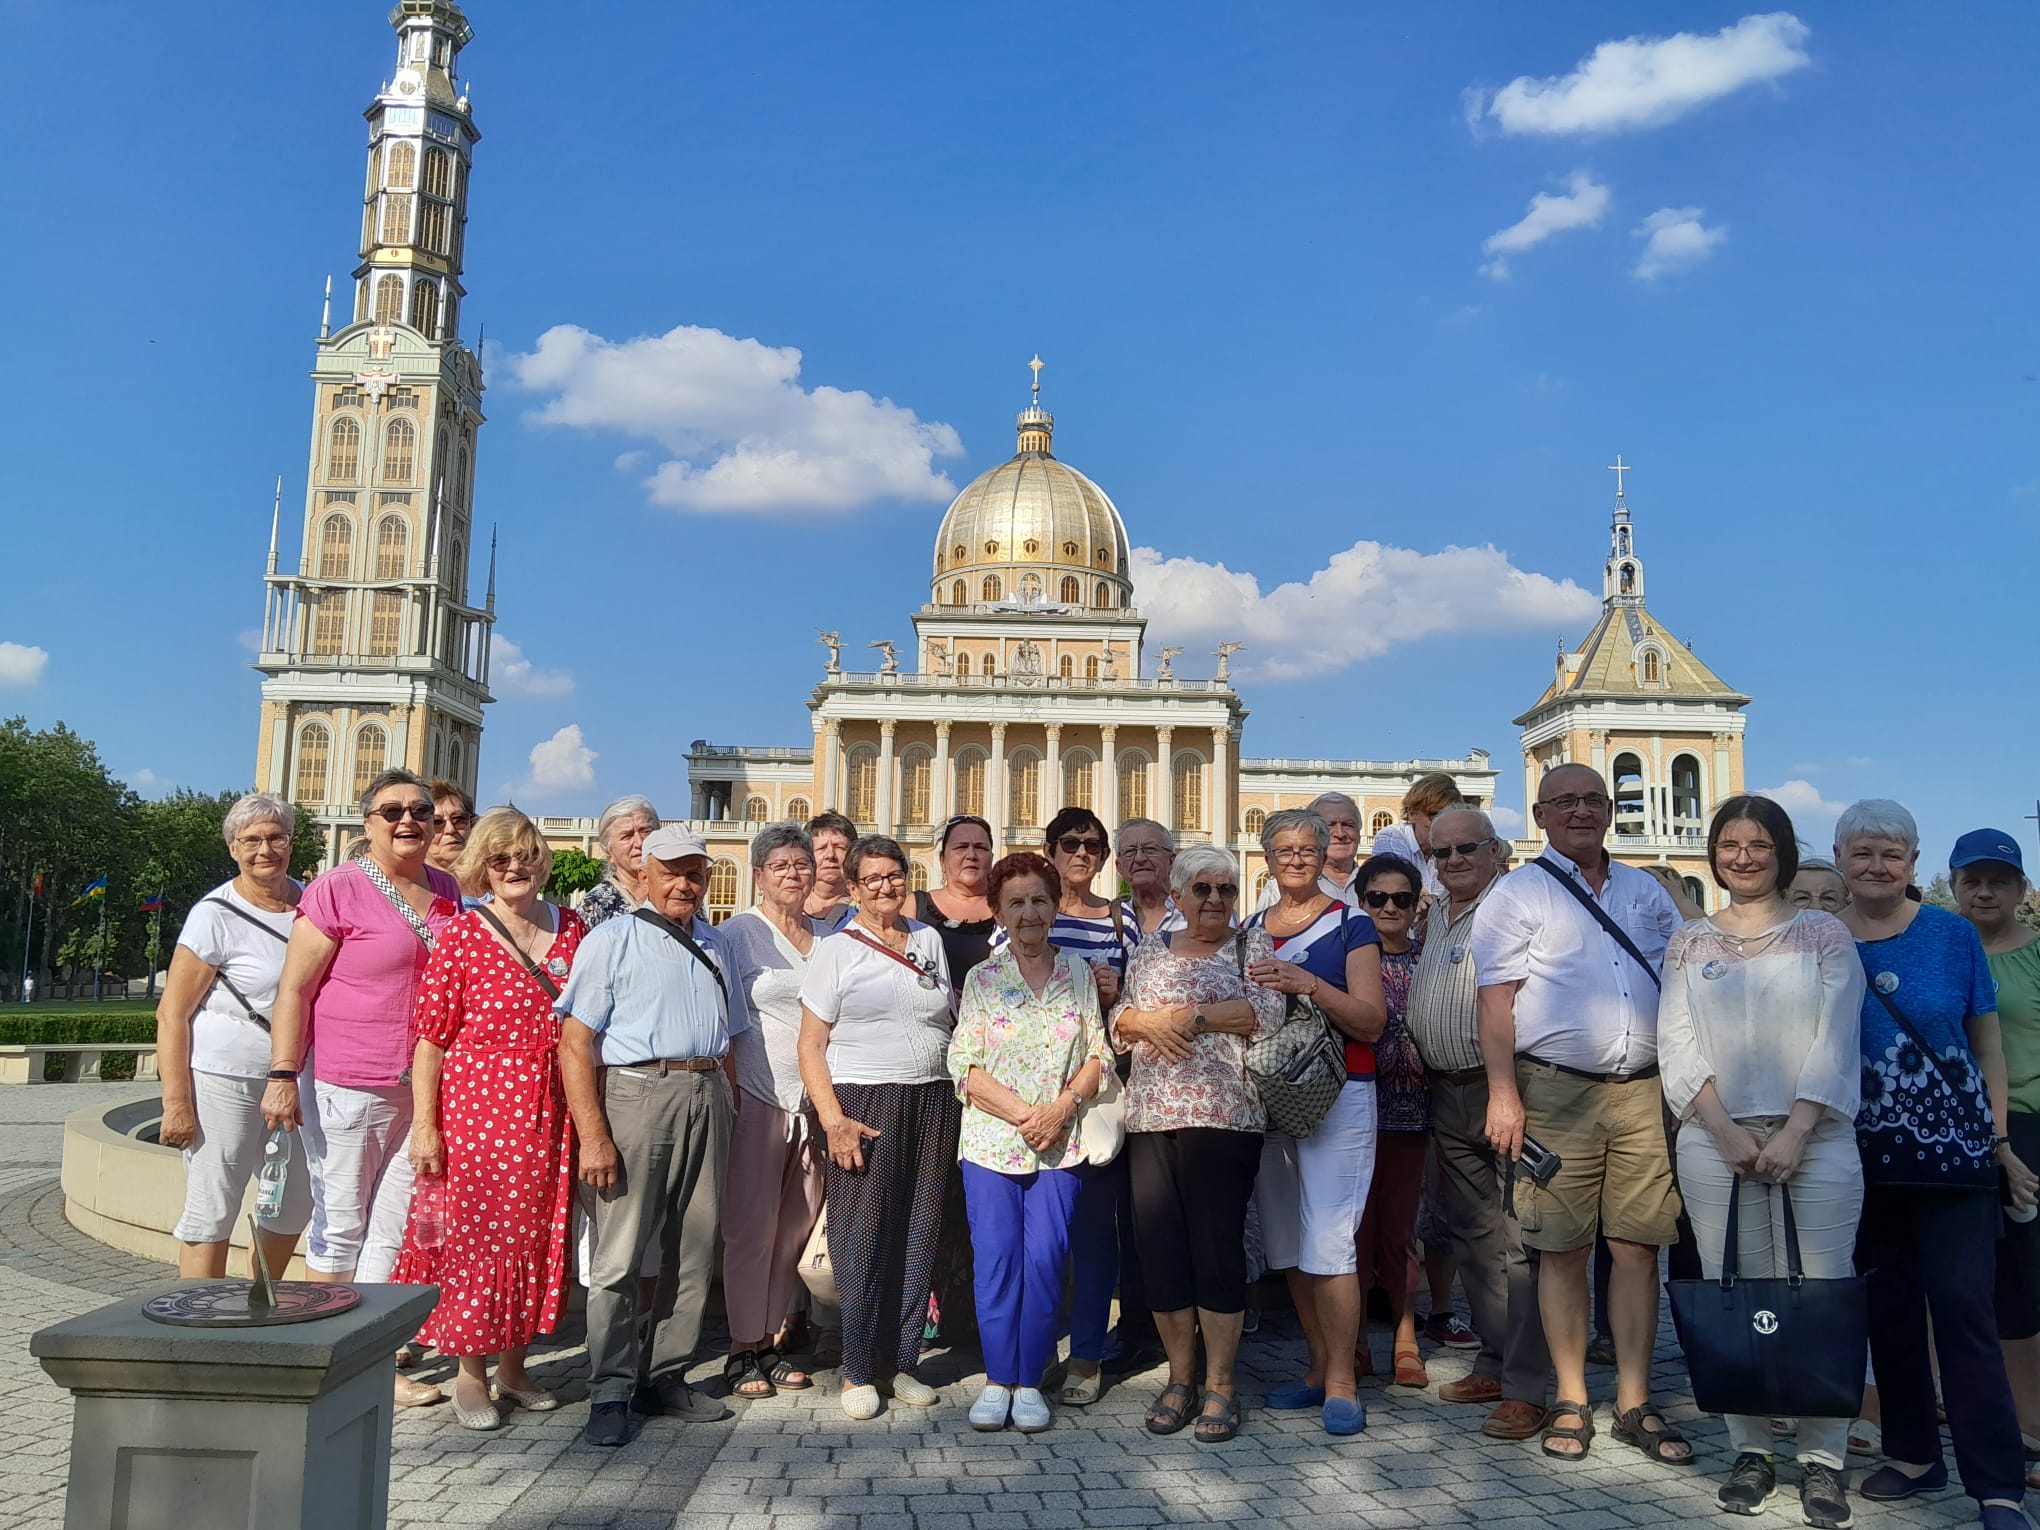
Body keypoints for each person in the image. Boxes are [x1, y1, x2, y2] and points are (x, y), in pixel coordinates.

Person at [1655, 796, 1864, 1525]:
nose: (1742, 857)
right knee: (1733, 1290)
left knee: (1823, 1293)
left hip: (1816, 1136)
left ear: (1780, 849)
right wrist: (1721, 1128)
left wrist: (1797, 1129)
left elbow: (1836, 1037)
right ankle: (1750, 1447)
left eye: (1758, 844)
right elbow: (1675, 1042)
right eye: (1729, 844)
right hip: (1717, 1142)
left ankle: (1821, 1459)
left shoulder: (1822, 934)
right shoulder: (1689, 942)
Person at [1474, 763, 1688, 1467]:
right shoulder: (1516, 893)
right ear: (1540, 816)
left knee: (1636, 1249)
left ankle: (1633, 1399)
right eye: (1564, 801)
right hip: (1554, 1089)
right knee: (1560, 1250)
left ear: (1609, 811)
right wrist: (1503, 1094)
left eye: (1594, 800)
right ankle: (1570, 1396)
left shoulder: (1646, 891)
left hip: (1640, 1088)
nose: (1581, 811)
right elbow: (1496, 1005)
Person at [1837, 801, 2037, 1528]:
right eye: (1862, 853)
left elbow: (1988, 1048)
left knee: (1964, 1311)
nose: (1877, 866)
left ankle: (1997, 1485)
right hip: (1859, 1157)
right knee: (1888, 1314)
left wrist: (1998, 1138)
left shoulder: (1953, 937)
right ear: (1840, 861)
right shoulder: (1822, 940)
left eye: (1892, 854)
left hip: (1955, 1157)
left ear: (1913, 864)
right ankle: (1914, 1456)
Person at [262, 768, 463, 1410]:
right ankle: (326, 1357)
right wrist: (282, 1073)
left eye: (421, 810)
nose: (409, 821)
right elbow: (293, 988)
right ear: (368, 823)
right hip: (352, 1081)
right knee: (342, 1221)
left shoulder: (449, 890)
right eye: (392, 811)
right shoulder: (337, 890)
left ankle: (372, 1357)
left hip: (426, 1088)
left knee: (394, 1227)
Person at [394, 809, 586, 1432]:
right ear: (482, 866)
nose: (513, 869)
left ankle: (515, 1366)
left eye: (524, 856)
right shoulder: (462, 933)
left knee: (534, 1235)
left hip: (551, 1107)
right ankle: (468, 1375)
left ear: (541, 859)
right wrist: (426, 1124)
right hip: (479, 1105)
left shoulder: (573, 929)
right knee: (477, 1241)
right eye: (499, 859)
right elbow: (431, 1039)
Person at [557, 826, 747, 1445]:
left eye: (695, 872)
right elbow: (576, 1043)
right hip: (639, 1093)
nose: (684, 883)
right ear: (644, 875)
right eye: (672, 871)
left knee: (695, 1248)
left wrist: (732, 1103)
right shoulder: (612, 939)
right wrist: (594, 1135)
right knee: (621, 1250)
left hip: (707, 1090)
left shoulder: (718, 945)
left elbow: (733, 1038)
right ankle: (609, 1387)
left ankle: (665, 1374)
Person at [1112, 847, 1286, 1444]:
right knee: (1161, 1251)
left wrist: (1193, 1017)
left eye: (1227, 889)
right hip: (1152, 1118)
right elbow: (1121, 1020)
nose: (1216, 899)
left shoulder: (1249, 946)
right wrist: (1144, 1023)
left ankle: (1221, 1385)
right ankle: (1179, 1380)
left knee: (1216, 1251)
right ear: (1179, 896)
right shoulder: (1149, 950)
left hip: (1226, 1117)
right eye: (1203, 889)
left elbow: (1267, 1011)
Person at [948, 851, 1113, 1434]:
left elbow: (1099, 1053)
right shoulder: (983, 978)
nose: (1028, 913)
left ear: (1054, 906)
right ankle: (998, 1380)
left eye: (1039, 900)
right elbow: (963, 1063)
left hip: (1061, 1144)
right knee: (997, 1262)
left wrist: (1061, 1108)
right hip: (994, 1142)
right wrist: (1025, 1115)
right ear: (997, 911)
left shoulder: (1079, 973)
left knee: (1045, 1262)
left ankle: (1028, 1379)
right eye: (1015, 903)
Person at [797, 834, 959, 1420]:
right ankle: (858, 1368)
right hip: (864, 1099)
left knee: (922, 1228)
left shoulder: (929, 940)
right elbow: (811, 1043)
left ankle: (903, 1358)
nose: (885, 887)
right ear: (854, 888)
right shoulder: (837, 950)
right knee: (863, 1234)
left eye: (894, 876)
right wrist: (833, 1119)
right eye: (873, 879)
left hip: (934, 1097)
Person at [1406, 806, 1552, 1440]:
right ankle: (1494, 1360)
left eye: (1469, 847)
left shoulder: (1517, 904)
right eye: (1442, 853)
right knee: (1474, 1239)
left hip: (1506, 1089)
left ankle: (1527, 1386)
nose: (1455, 859)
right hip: (1450, 1091)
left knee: (1521, 1243)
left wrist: (1505, 1092)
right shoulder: (1436, 912)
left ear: (1497, 850)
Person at [1245, 811, 1386, 1437]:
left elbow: (1371, 1019)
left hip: (1341, 1092)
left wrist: (1307, 984)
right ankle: (1315, 1366)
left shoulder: (1352, 923)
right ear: (1268, 857)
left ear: (1324, 851)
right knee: (1289, 1244)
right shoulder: (1249, 928)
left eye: (1307, 849)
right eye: (1284, 850)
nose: (1296, 859)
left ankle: (1342, 1381)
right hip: (1270, 1095)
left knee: (1332, 1240)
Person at [156, 793, 308, 1281]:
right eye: (252, 840)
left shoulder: (313, 903)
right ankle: (196, 1327)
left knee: (292, 1204)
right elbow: (172, 1014)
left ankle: (257, 1306)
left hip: (298, 1079)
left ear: (291, 842)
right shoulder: (214, 914)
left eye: (276, 837)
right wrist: (177, 1103)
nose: (266, 849)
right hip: (225, 1078)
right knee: (213, 1205)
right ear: (232, 848)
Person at [715, 825, 826, 1400]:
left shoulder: (829, 934)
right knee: (749, 1230)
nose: (793, 873)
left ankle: (771, 1340)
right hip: (759, 1095)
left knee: (793, 1231)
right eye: (780, 865)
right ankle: (741, 1348)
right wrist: (733, 1094)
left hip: (815, 1103)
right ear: (758, 874)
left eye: (801, 864)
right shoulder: (736, 935)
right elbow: (727, 1022)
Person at [1037, 805, 1134, 1404]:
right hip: (1036, 1093)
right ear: (1050, 851)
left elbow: (1135, 1007)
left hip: (1096, 1091)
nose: (1082, 853)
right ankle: (1040, 1345)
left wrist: (1115, 993)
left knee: (1097, 1231)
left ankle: (1089, 1356)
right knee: (1044, 1234)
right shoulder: (1025, 913)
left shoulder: (1120, 923)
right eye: (1070, 843)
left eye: (1094, 845)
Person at [1951, 830, 2040, 1482]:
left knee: (2030, 1278)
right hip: (1955, 1136)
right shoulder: (1940, 950)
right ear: (1953, 885)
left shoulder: (2035, 956)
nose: (1984, 891)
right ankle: (2003, 1416)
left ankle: (2032, 1421)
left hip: (2031, 1130)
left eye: (1998, 881)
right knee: (1974, 1281)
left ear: (2019, 889)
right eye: (1972, 880)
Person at [1351, 852, 1435, 1388]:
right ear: (1360, 903)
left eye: (1401, 898)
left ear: (1414, 905)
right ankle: (1353, 1337)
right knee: (1355, 1230)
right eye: (1377, 897)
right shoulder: (1348, 960)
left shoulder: (1429, 959)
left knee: (1401, 1228)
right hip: (1356, 1110)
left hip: (1415, 1110)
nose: (1389, 907)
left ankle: (1405, 1335)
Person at [915, 815, 998, 985]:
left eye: (981, 848)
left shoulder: (1009, 910)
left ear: (991, 858)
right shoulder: (914, 906)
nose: (971, 855)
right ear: (942, 860)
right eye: (961, 847)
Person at [1254, 791, 1364, 911]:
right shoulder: (1282, 885)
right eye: (1329, 825)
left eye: (1348, 824)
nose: (1340, 833)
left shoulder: (1373, 882)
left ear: (1359, 833)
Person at [1372, 772, 1461, 904]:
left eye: (1449, 818)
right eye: (1434, 816)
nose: (1441, 824)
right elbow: (1400, 883)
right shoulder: (1391, 837)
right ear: (1412, 813)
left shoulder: (1453, 850)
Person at [575, 796, 661, 929]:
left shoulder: (679, 893)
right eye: (627, 836)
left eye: (646, 831)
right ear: (608, 852)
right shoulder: (595, 906)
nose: (639, 842)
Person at [1118, 818, 1184, 943]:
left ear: (1171, 861)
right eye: (1130, 851)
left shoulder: (1194, 915)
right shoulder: (1110, 920)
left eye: (1150, 849)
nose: (1139, 858)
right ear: (1119, 866)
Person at [804, 811, 859, 929]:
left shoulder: (865, 910)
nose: (830, 855)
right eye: (821, 848)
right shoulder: (789, 908)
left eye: (839, 847)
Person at [426, 779, 475, 874]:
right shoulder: (403, 885)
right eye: (437, 822)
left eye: (459, 819)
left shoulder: (491, 883)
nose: (450, 829)